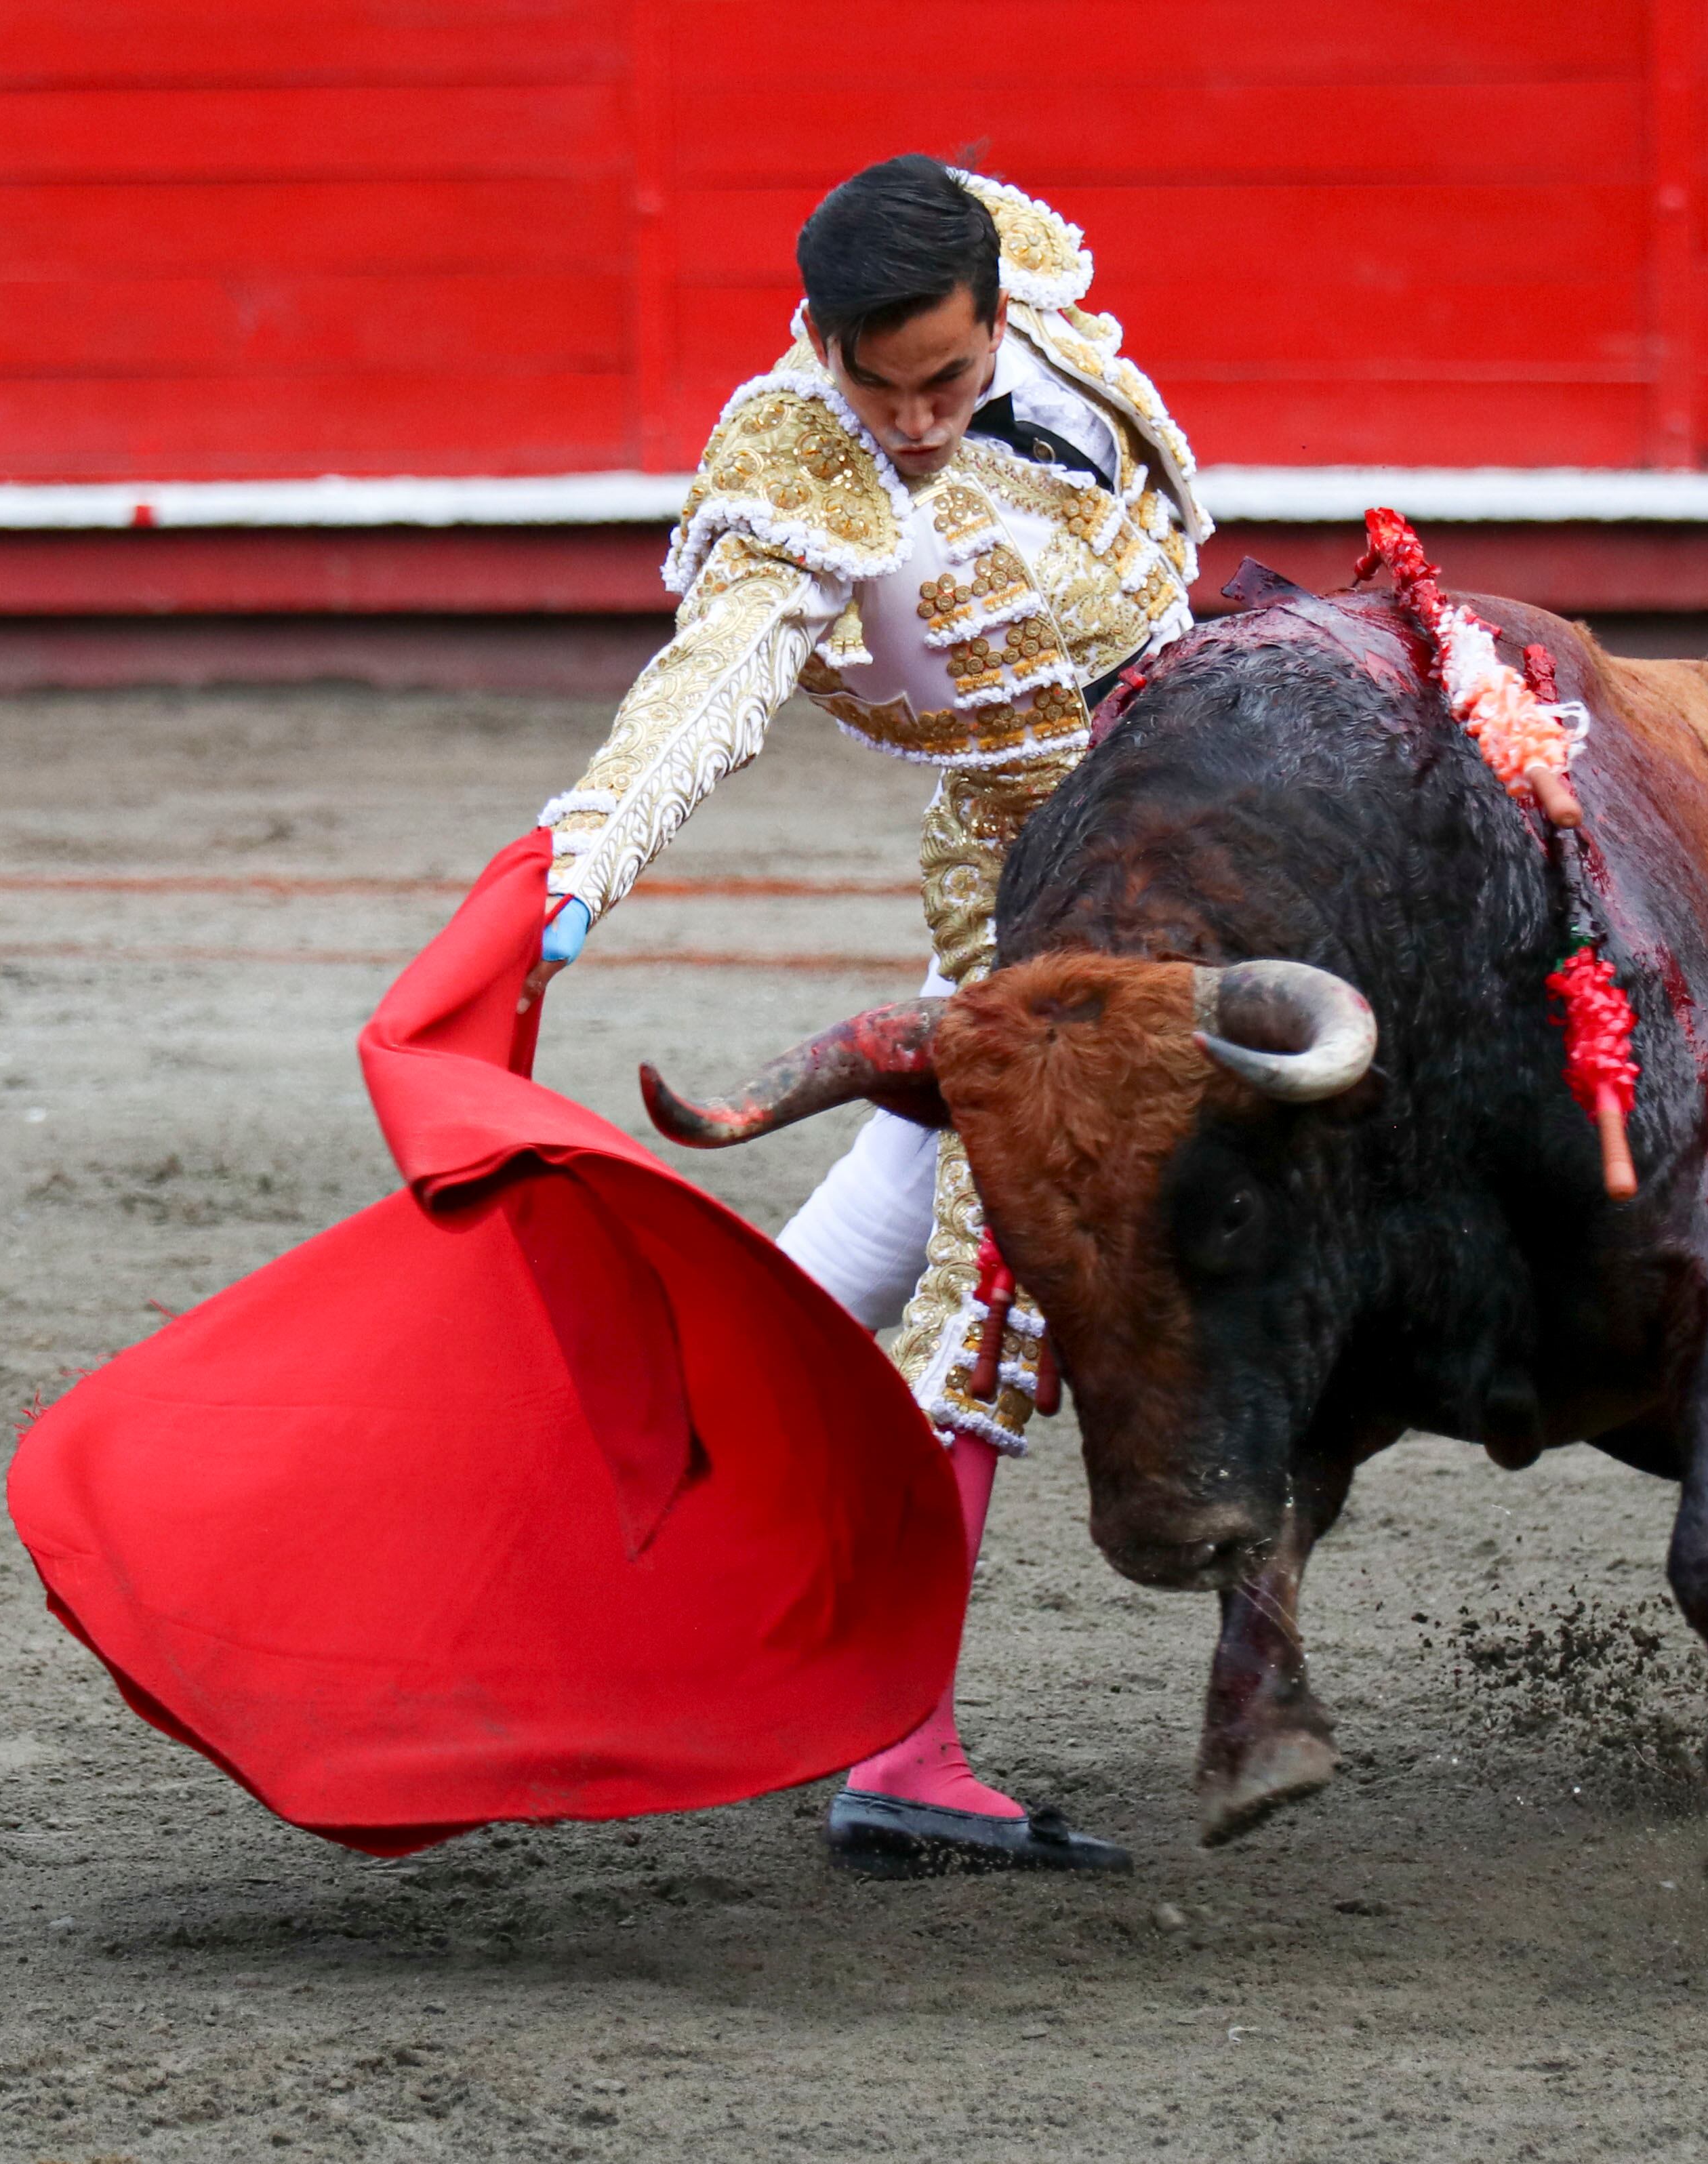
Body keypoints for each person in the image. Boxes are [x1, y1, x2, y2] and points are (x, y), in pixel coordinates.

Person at [520, 156, 1207, 1875]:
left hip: (1216, 785)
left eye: (946, 384)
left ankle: (594, 1512)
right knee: (995, 1274)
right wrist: (582, 863)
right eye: (873, 384)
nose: (907, 423)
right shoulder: (790, 478)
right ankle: (899, 1743)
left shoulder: (1022, 274)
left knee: (869, 1250)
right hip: (1046, 895)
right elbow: (714, 681)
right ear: (818, 341)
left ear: (995, 316)